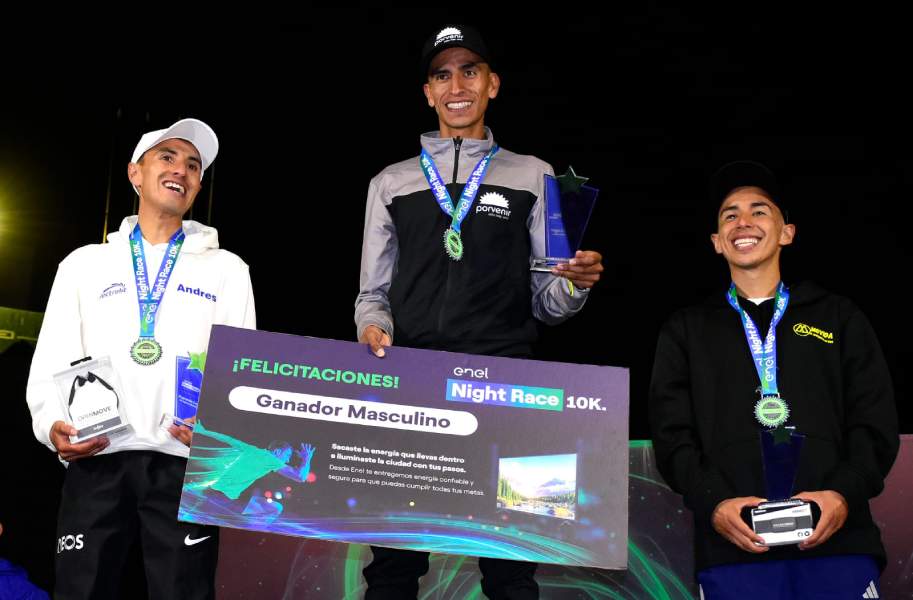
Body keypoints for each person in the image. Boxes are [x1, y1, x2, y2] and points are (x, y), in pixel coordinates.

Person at [355, 24, 603, 600]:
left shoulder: (533, 174)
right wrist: (374, 329)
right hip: (412, 386)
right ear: (428, 93)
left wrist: (575, 285)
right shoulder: (390, 182)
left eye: (470, 71)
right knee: (392, 565)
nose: (457, 86)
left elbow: (548, 303)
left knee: (512, 568)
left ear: (493, 84)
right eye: (442, 75)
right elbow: (373, 293)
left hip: (509, 384)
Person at [26, 118, 256, 599]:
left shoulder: (228, 270)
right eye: (167, 157)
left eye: (192, 166)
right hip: (98, 455)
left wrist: (219, 432)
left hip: (185, 463)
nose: (181, 170)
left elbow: (239, 372)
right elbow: (51, 358)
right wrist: (50, 426)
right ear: (135, 173)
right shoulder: (83, 264)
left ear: (198, 185)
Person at [649, 160, 898, 599]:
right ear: (717, 242)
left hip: (838, 544)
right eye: (730, 215)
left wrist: (843, 494)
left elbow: (873, 421)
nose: (743, 222)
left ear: (787, 233)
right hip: (734, 550)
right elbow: (672, 436)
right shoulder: (685, 330)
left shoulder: (838, 316)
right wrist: (714, 501)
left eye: (759, 211)